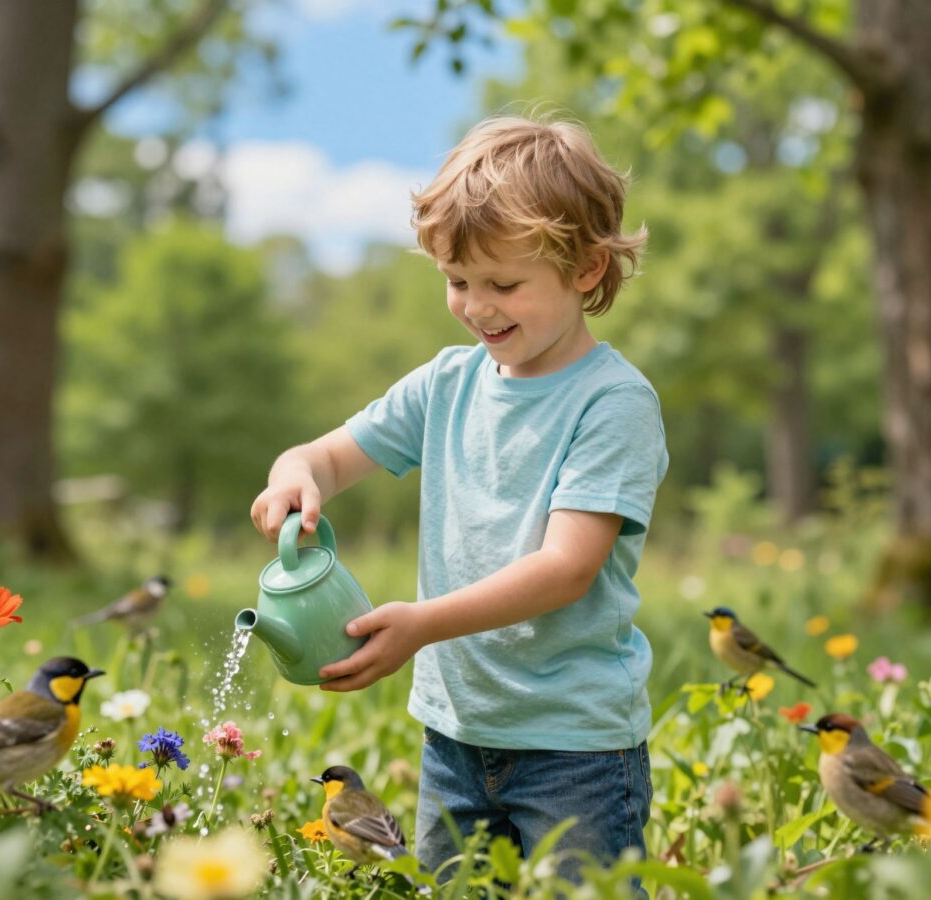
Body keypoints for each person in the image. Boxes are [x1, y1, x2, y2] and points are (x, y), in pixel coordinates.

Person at [250, 115, 668, 887]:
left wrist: (423, 625)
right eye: (457, 281)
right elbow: (329, 455)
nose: (478, 307)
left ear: (584, 268)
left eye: (503, 284)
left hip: (577, 748)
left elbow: (565, 569)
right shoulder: (448, 383)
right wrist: (295, 474)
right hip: (454, 736)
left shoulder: (612, 403)